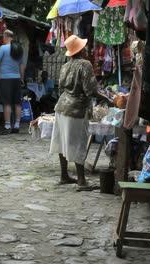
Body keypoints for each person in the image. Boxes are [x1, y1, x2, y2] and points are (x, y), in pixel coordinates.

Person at [49, 35, 98, 186]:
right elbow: (90, 90)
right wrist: (108, 98)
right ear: (81, 49)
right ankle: (81, 179)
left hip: (62, 106)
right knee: (78, 142)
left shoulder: (65, 66)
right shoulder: (85, 64)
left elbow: (60, 88)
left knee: (61, 141)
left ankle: (64, 175)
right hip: (77, 109)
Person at [0, 30, 25, 133]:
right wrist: (22, 78)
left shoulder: (3, 48)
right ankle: (16, 125)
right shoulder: (19, 48)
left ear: (6, 37)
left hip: (5, 78)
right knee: (17, 103)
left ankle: (7, 126)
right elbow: (22, 65)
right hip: (16, 78)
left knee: (6, 103)